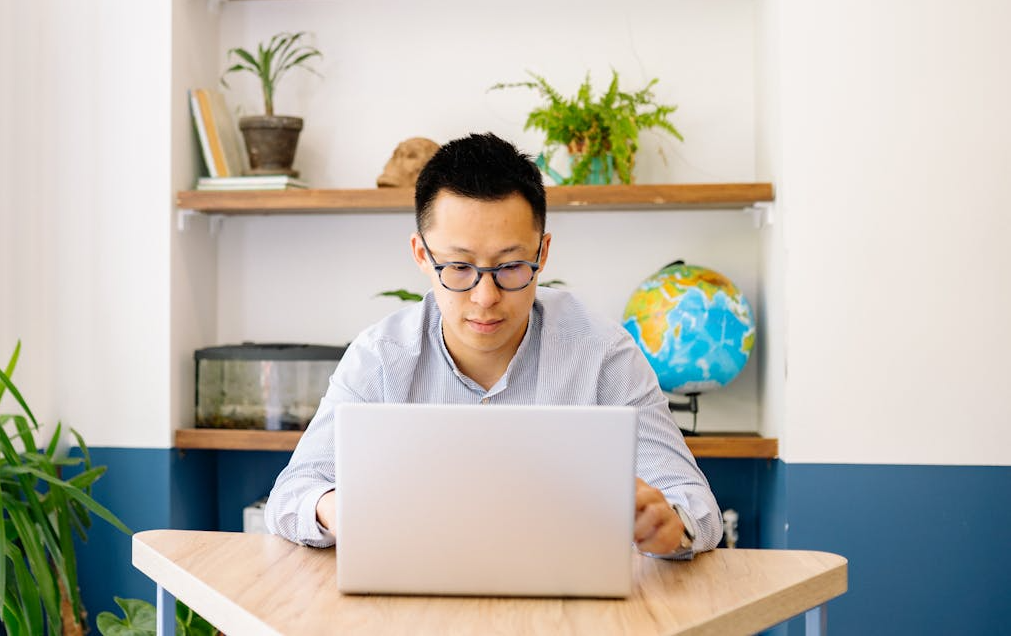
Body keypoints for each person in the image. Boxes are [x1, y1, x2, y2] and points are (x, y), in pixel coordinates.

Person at [265, 132, 722, 557]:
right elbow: (293, 491)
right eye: (459, 268)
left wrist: (670, 525)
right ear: (422, 254)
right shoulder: (380, 357)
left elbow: (696, 505)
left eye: (511, 266)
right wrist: (336, 508)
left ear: (542, 253)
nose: (486, 298)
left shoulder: (602, 354)